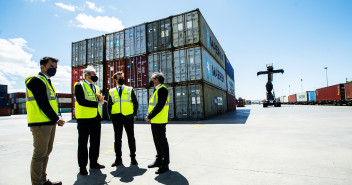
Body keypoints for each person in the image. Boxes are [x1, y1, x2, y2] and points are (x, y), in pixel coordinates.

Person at [25, 56, 65, 185]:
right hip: (40, 124)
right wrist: (56, 119)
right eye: (51, 67)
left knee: (46, 153)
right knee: (39, 155)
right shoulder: (36, 80)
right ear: (42, 67)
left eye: (55, 68)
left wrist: (58, 117)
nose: (54, 70)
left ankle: (43, 180)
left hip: (49, 122)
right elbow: (42, 103)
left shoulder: (47, 81)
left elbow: (52, 103)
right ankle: (37, 183)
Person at [74, 65, 106, 175]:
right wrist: (97, 103)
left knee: (95, 142)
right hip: (84, 119)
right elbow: (81, 101)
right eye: (94, 74)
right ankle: (82, 167)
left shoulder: (96, 87)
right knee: (83, 143)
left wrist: (100, 98)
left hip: (96, 118)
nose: (96, 76)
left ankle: (94, 163)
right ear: (87, 75)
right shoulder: (79, 85)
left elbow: (95, 100)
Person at [107, 71, 139, 167]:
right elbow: (109, 105)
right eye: (119, 77)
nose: (121, 79)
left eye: (122, 77)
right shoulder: (111, 91)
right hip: (116, 118)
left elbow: (135, 103)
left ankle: (133, 157)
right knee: (117, 139)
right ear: (115, 80)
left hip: (128, 117)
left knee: (131, 138)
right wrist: (110, 116)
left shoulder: (129, 89)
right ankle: (118, 159)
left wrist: (134, 114)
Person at [145, 72, 170, 174]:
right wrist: (149, 115)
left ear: (156, 79)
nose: (150, 81)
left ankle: (165, 163)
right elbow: (153, 105)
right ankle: (159, 160)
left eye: (152, 79)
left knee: (162, 142)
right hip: (155, 120)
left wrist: (149, 116)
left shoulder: (162, 89)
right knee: (157, 141)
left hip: (159, 120)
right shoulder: (156, 90)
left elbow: (159, 106)